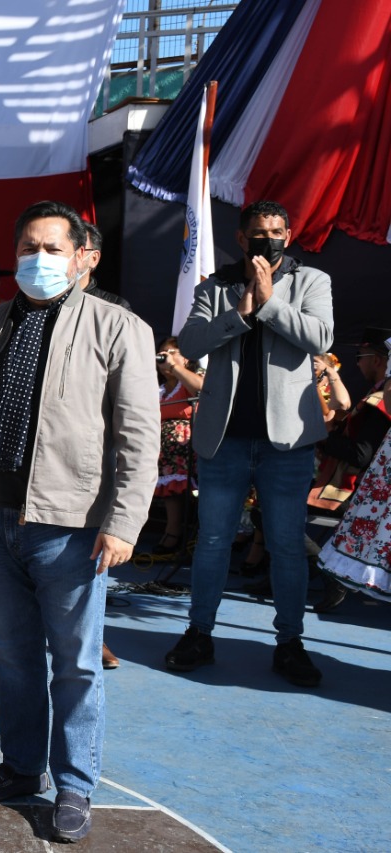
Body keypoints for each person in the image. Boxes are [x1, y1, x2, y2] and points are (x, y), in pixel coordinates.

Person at [0, 201, 158, 843]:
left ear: (85, 257)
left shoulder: (119, 328)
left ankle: (74, 785)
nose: (37, 260)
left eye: (52, 248)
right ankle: (20, 767)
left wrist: (123, 522)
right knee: (8, 654)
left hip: (69, 523)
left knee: (75, 662)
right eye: (27, 249)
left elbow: (138, 436)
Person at [164, 201, 333, 688]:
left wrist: (270, 301)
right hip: (225, 441)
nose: (269, 240)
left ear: (289, 234)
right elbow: (190, 344)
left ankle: (290, 642)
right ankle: (199, 632)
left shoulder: (312, 282)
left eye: (278, 231)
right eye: (259, 233)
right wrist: (240, 312)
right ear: (241, 239)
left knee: (285, 545)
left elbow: (320, 335)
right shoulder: (215, 288)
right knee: (213, 541)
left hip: (289, 442)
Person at [307, 328, 391, 611]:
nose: (357, 363)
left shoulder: (380, 401)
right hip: (351, 483)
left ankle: (333, 578)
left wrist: (323, 438)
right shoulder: (374, 396)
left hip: (351, 488)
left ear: (378, 359)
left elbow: (361, 454)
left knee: (274, 513)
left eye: (360, 356)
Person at [153, 335, 204, 552]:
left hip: (188, 446)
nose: (168, 358)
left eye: (174, 353)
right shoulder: (158, 389)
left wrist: (175, 368)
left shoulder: (191, 379)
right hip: (161, 449)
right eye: (164, 354)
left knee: (173, 452)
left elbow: (201, 390)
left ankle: (175, 531)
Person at [78, 222, 132, 311]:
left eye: (78, 250)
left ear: (94, 258)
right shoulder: (47, 302)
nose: (68, 255)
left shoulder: (116, 308)